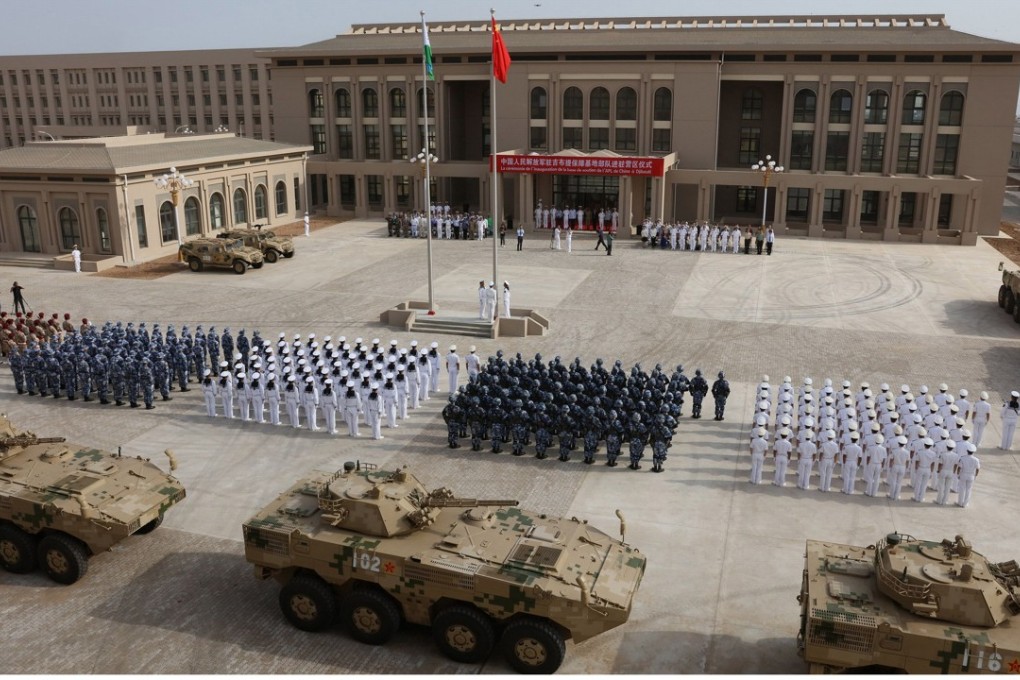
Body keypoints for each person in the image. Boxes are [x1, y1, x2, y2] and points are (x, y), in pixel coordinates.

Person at [956, 443, 981, 507]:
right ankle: (965, 504)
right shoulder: (976, 460)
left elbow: (959, 467)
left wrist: (958, 474)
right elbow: (978, 469)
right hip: (971, 475)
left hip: (963, 474)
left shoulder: (963, 458)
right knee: (968, 490)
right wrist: (976, 475)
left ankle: (960, 502)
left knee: (962, 489)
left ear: (967, 451)